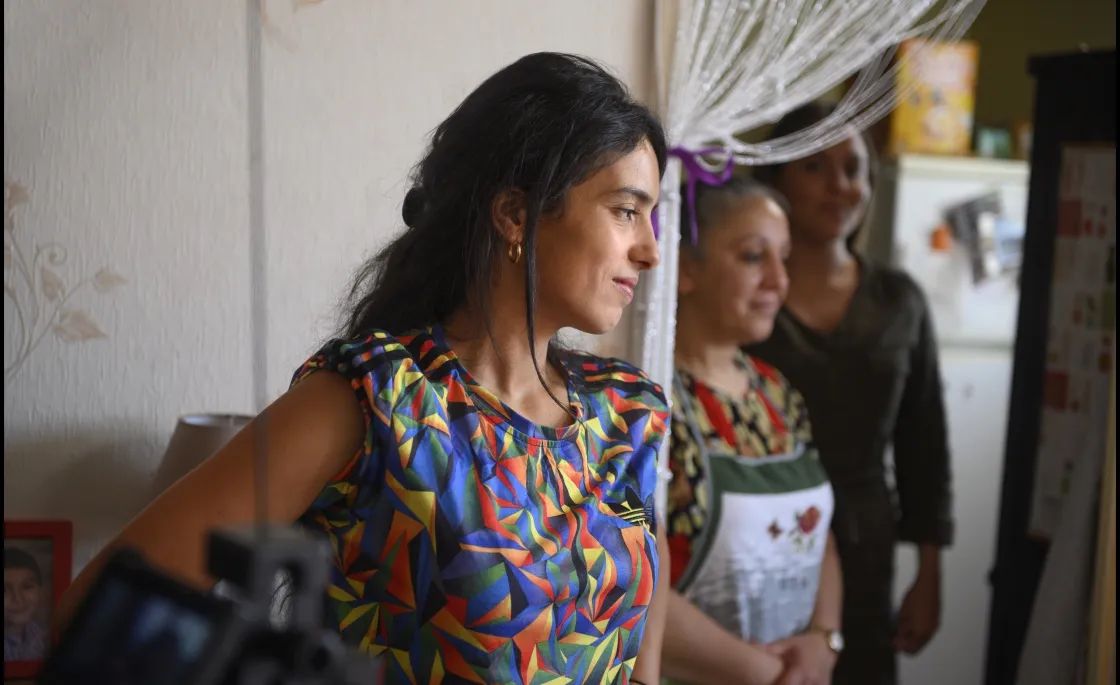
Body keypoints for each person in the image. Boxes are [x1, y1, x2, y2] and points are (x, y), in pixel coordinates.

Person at [56, 52, 673, 685]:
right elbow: (101, 614)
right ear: (515, 213)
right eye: (626, 211)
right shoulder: (375, 401)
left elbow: (639, 639)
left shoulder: (630, 413)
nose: (650, 249)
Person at [750, 101, 954, 685]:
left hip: (867, 542)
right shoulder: (744, 293)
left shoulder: (899, 301)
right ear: (777, 177)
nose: (840, 186)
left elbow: (925, 444)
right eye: (815, 167)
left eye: (854, 168)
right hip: (759, 531)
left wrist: (930, 573)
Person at [659, 176, 843, 685]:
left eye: (784, 258)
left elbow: (819, 535)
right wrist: (763, 673)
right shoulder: (651, 403)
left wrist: (824, 640)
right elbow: (637, 581)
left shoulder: (777, 393)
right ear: (688, 268)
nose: (779, 281)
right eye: (753, 257)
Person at [5, 547, 49, 662]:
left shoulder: (41, 636)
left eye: (27, 587)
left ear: (41, 591)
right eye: (5, 590)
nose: (18, 599)